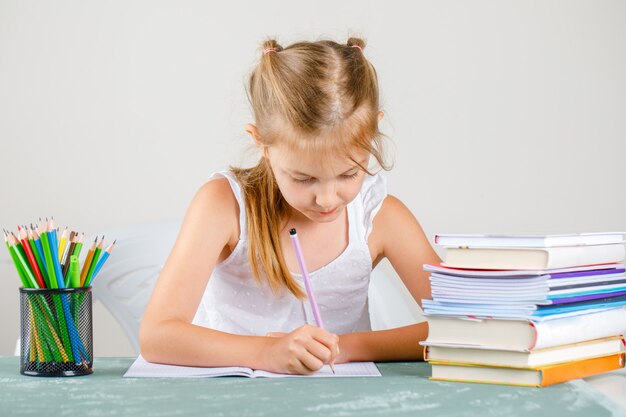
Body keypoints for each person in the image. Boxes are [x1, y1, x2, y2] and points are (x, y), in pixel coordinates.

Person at [139, 37, 441, 375]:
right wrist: (268, 352)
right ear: (261, 143)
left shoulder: (381, 217)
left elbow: (467, 330)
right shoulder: (224, 206)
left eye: (348, 174)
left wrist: (342, 347)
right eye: (304, 178)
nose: (327, 199)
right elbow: (157, 336)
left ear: (371, 135)